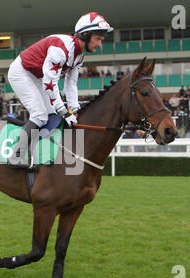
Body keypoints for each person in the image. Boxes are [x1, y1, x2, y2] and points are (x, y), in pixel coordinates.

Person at [7, 12, 113, 168]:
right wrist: (64, 111)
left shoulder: (79, 56)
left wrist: (75, 109)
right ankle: (15, 156)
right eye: (98, 39)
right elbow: (50, 83)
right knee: (40, 115)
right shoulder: (61, 49)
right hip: (21, 72)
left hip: (37, 76)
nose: (99, 44)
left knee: (53, 117)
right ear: (85, 35)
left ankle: (35, 148)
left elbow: (71, 84)